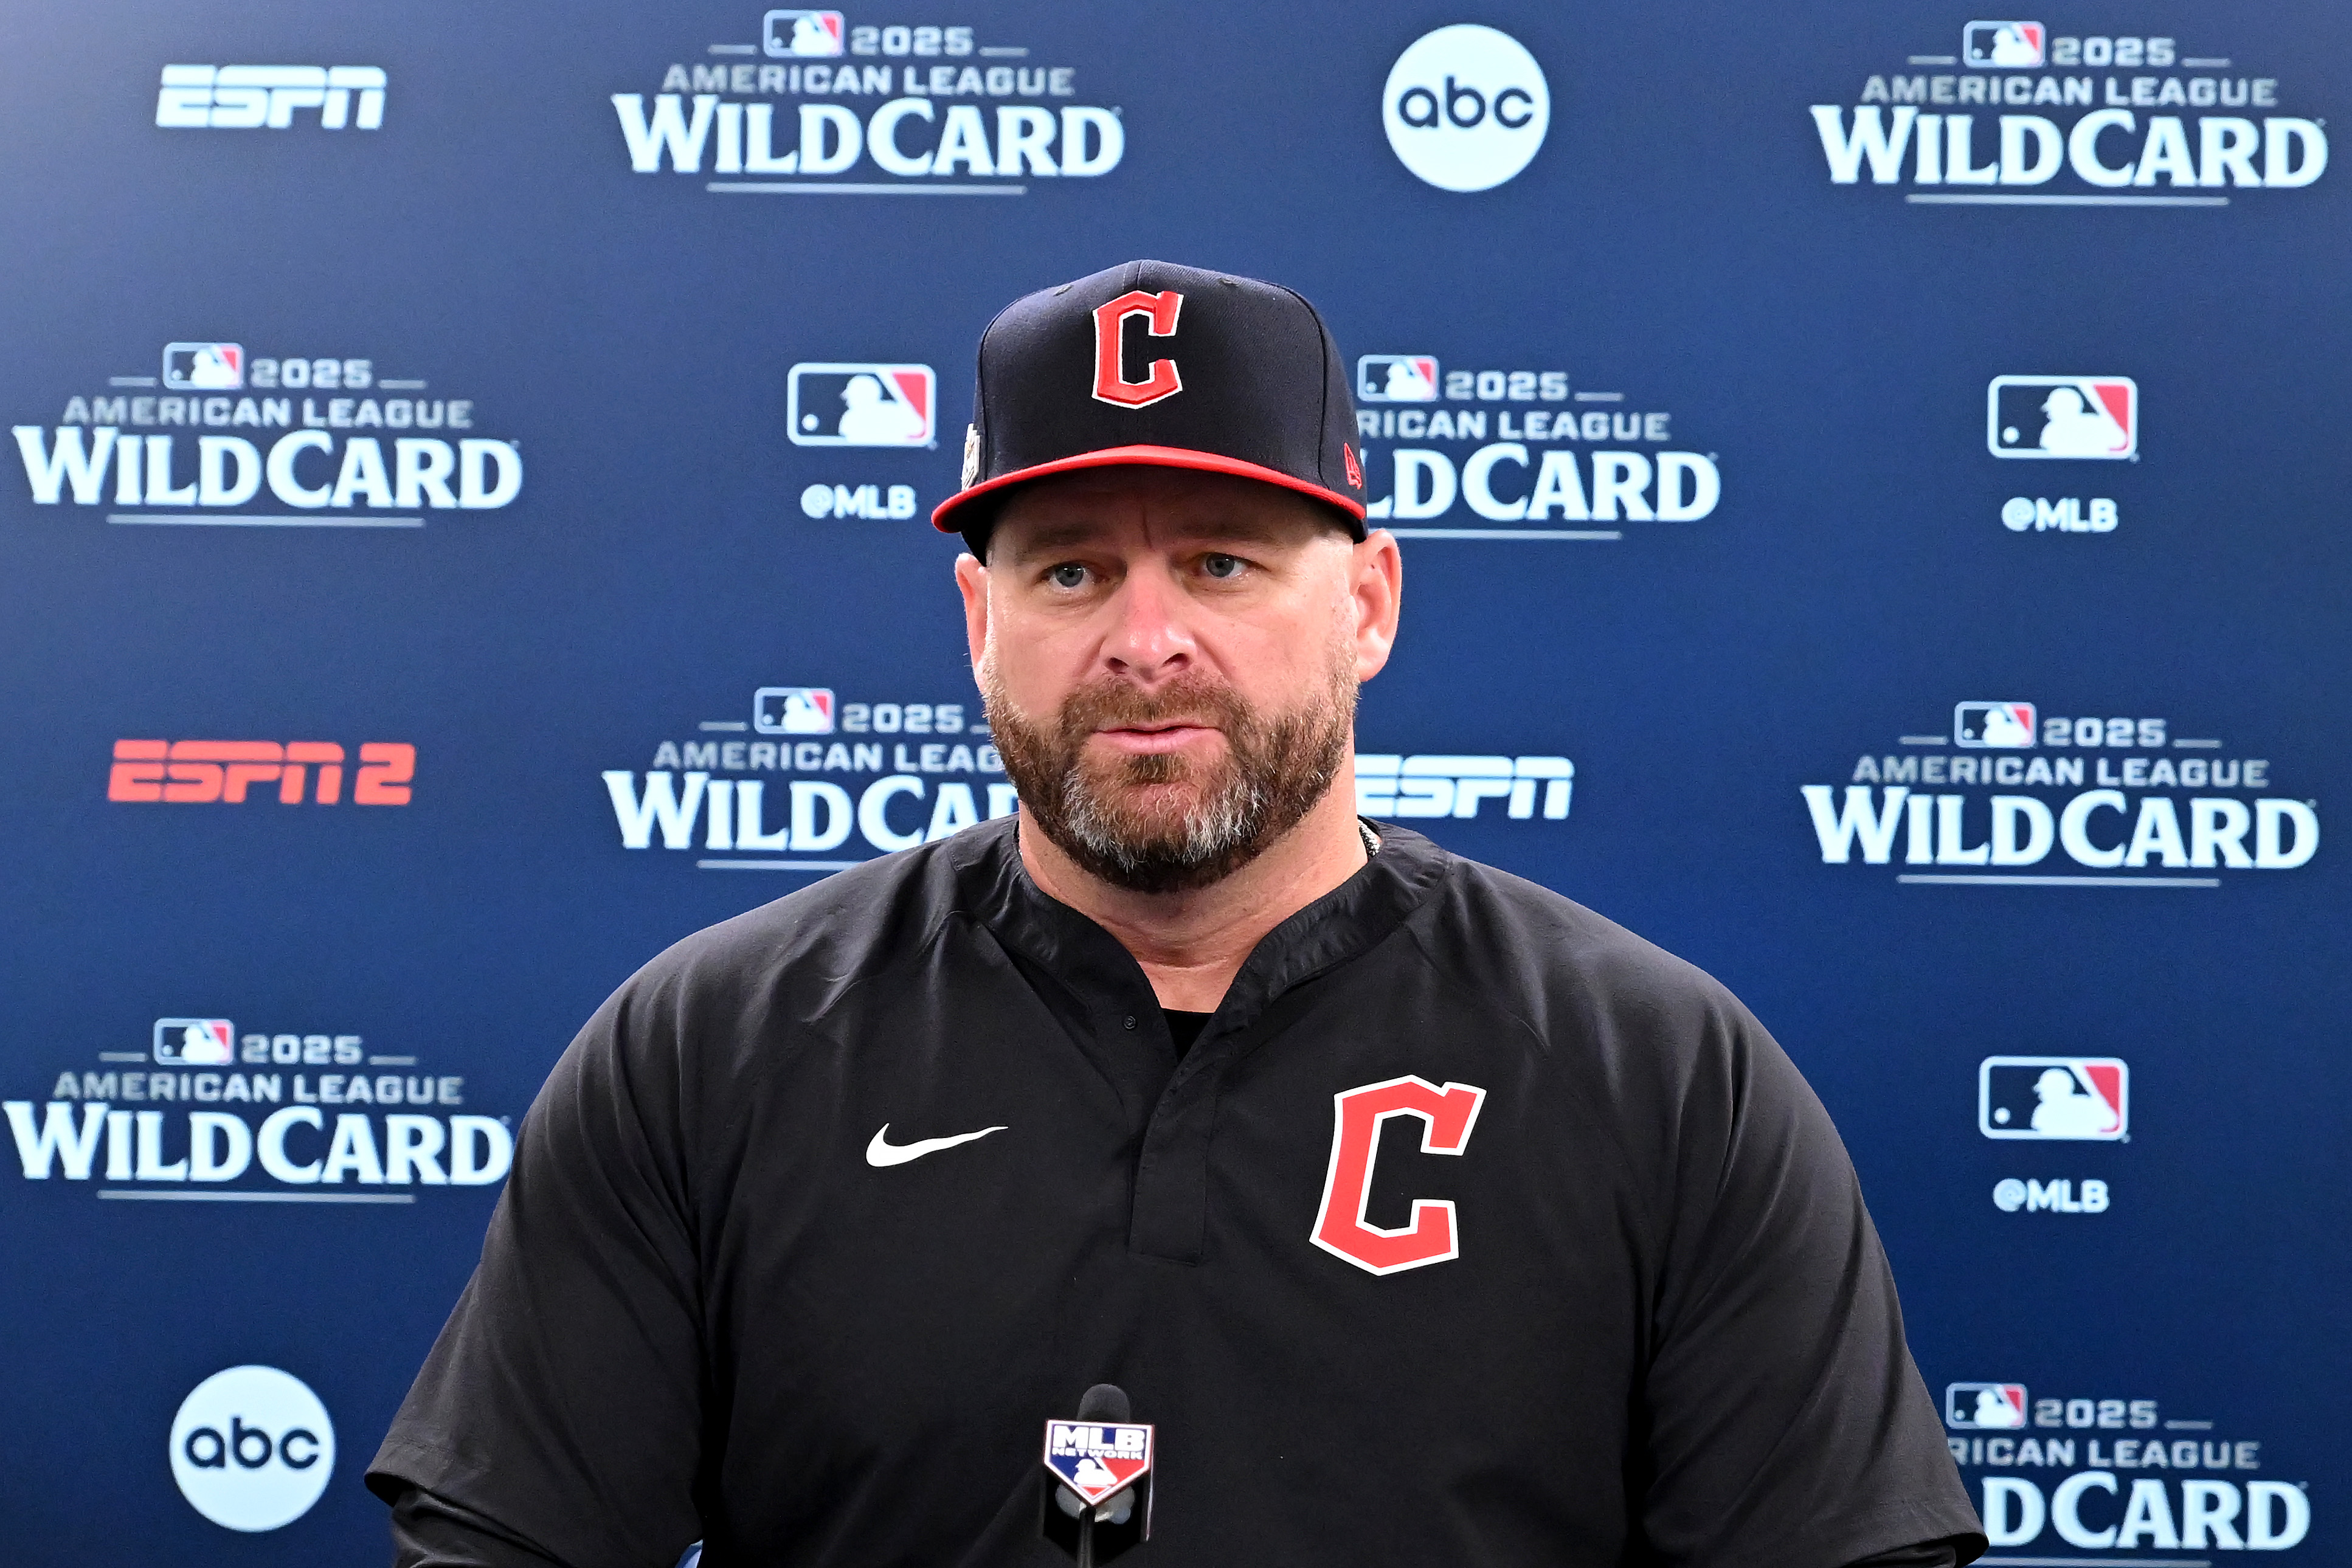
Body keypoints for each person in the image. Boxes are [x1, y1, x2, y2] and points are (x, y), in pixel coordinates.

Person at [369, 260, 1985, 1567]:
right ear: (977, 618)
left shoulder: (1661, 1075)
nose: (1147, 641)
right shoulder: (712, 1049)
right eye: (1071, 572)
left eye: (1221, 564)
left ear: (1367, 604)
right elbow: (505, 1542)